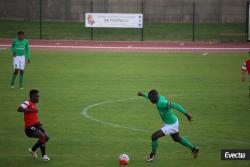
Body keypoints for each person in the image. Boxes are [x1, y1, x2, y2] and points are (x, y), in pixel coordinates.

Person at [138, 90, 199, 162]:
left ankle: (152, 155)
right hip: (173, 121)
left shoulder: (161, 103)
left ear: (154, 98)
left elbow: (176, 105)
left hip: (171, 125)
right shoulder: (158, 98)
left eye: (151, 99)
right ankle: (193, 149)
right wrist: (143, 94)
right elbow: (150, 96)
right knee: (176, 138)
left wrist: (187, 114)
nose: (150, 101)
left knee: (154, 136)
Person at [17, 90, 50, 161]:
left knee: (47, 137)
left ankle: (33, 149)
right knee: (42, 136)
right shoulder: (27, 103)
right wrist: (31, 110)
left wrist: (38, 123)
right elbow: (19, 109)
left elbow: (32, 117)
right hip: (29, 128)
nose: (38, 98)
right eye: (37, 96)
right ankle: (44, 155)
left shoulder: (33, 104)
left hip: (35, 125)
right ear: (32, 96)